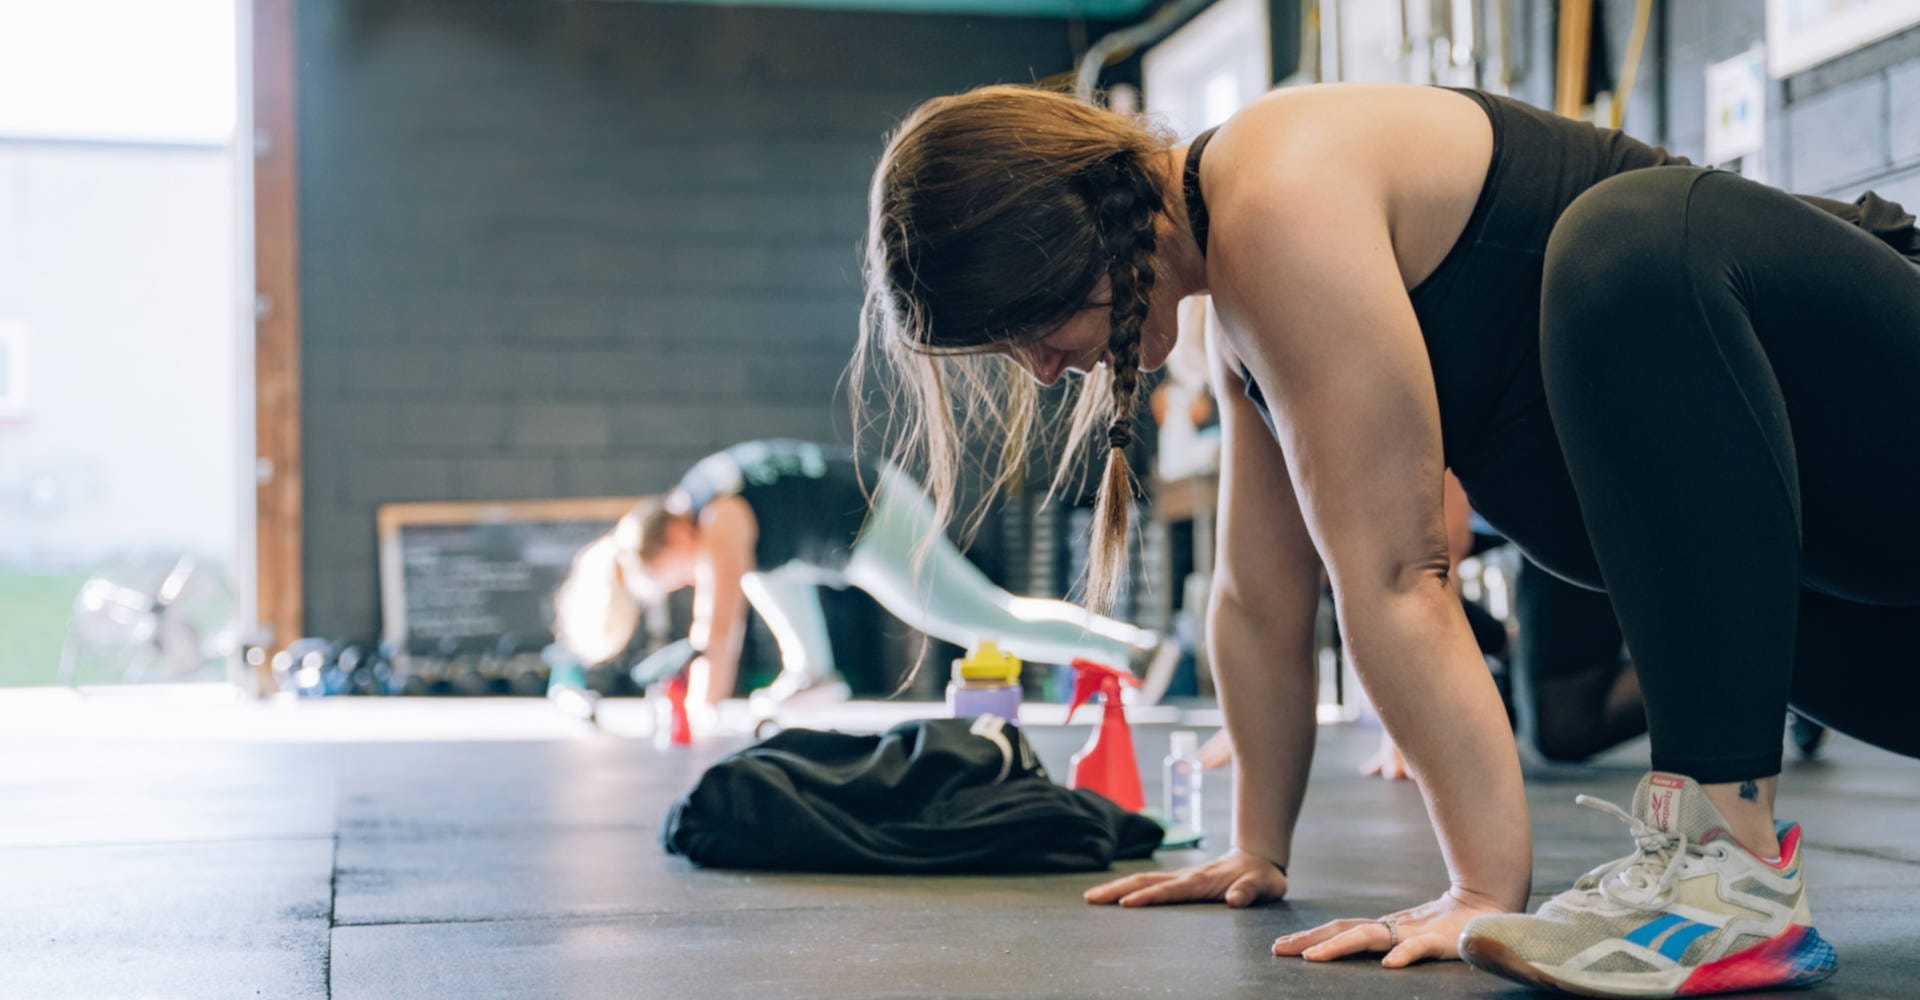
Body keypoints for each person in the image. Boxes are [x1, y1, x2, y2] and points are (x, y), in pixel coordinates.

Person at [855, 81, 1920, 997]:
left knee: (1633, 237)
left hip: (1884, 401)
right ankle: (1717, 871)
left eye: (1020, 324)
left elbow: (1400, 570)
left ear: (1059, 237)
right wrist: (1255, 846)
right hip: (1861, 578)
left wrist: (1480, 894)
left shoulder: (1273, 190)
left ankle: (1725, 869)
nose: (1039, 370)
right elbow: (1258, 596)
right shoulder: (1238, 314)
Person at [554, 439, 1176, 718]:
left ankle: (1135, 652)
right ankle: (813, 674)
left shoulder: (716, 520)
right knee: (763, 575)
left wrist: (699, 709)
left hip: (876, 520)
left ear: (678, 538)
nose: (690, 579)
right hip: (859, 517)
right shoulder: (704, 497)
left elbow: (717, 628)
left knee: (988, 618)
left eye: (678, 575)